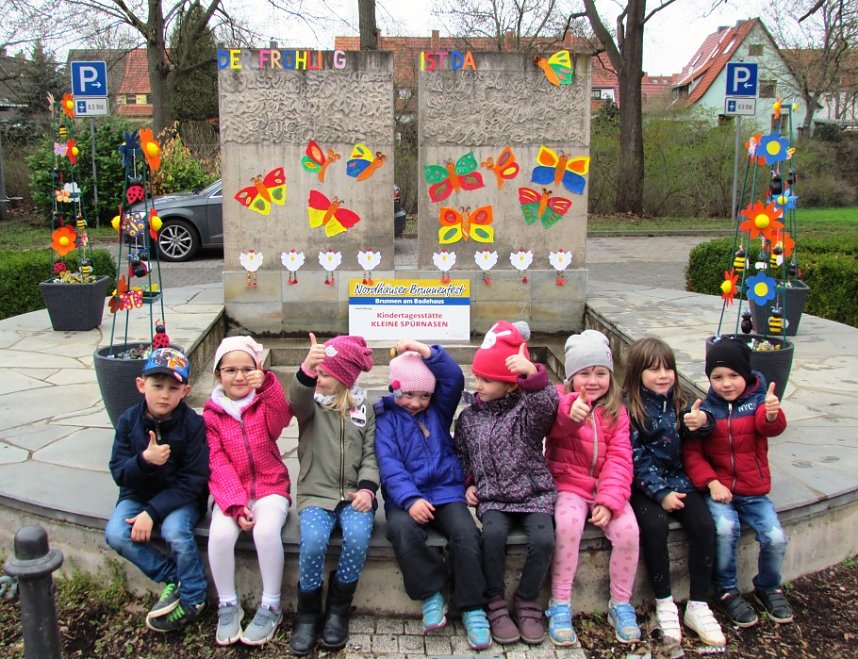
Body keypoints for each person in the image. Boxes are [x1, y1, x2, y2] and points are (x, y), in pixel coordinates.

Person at [374, 339, 492, 651]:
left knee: (466, 534)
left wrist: (427, 351)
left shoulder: (437, 412)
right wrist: (410, 499)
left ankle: (471, 606)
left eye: (424, 395)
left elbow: (453, 378)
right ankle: (431, 591)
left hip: (444, 491)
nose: (416, 402)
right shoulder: (385, 420)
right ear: (394, 388)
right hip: (405, 497)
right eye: (408, 394)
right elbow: (389, 465)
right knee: (400, 530)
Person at [454, 321, 559, 646]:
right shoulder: (469, 417)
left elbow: (547, 404)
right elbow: (463, 454)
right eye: (477, 378)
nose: (478, 385)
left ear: (511, 385)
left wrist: (533, 374)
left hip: (533, 494)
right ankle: (495, 602)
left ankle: (527, 602)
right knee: (493, 537)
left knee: (543, 540)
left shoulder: (525, 411)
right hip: (494, 498)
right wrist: (467, 483)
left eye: (487, 380)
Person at [623, 337, 725, 647]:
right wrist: (661, 493)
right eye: (654, 370)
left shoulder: (681, 401)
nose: (663, 375)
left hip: (680, 480)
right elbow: (635, 458)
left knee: (705, 526)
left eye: (668, 368)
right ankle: (664, 600)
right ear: (637, 372)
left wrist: (703, 422)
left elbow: (702, 432)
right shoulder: (630, 408)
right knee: (654, 527)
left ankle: (698, 603)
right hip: (645, 487)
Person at [683, 338, 792, 628]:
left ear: (746, 375)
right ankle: (727, 589)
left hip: (754, 492)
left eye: (733, 376)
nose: (726, 384)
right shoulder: (707, 409)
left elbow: (768, 426)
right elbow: (693, 456)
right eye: (717, 377)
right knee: (725, 530)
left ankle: (769, 585)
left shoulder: (758, 402)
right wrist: (711, 483)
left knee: (775, 537)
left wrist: (772, 413)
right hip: (720, 492)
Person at [544, 330, 641, 646]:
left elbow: (621, 457)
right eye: (584, 373)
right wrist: (571, 414)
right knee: (568, 527)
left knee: (628, 532)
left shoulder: (618, 412)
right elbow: (555, 427)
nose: (593, 380)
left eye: (600, 373)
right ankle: (560, 602)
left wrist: (610, 500)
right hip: (568, 484)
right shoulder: (561, 401)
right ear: (571, 376)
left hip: (605, 488)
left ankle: (621, 603)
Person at [104, 347, 209, 633]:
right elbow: (119, 472)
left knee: (175, 531)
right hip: (137, 494)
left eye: (173, 388)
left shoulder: (193, 425)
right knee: (115, 532)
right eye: (157, 385)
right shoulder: (128, 421)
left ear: (185, 390)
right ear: (141, 385)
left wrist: (152, 512)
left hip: (181, 499)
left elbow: (194, 479)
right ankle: (175, 577)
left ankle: (194, 597)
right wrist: (144, 461)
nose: (164, 394)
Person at [287, 333, 378, 656]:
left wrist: (368, 488)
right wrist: (306, 369)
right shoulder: (311, 405)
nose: (319, 379)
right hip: (316, 493)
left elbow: (370, 454)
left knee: (356, 536)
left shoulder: (364, 407)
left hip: (354, 496)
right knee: (312, 542)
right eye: (318, 374)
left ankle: (338, 608)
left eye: (324, 374)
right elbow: (294, 400)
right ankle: (308, 613)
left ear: (343, 377)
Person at [203, 335, 293, 646]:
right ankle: (227, 603)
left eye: (246, 369)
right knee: (220, 536)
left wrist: (269, 383)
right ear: (218, 374)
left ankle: (271, 604)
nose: (239, 376)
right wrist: (235, 504)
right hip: (232, 493)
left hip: (270, 487)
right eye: (230, 370)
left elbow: (282, 418)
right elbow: (216, 463)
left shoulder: (261, 402)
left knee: (266, 532)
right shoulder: (211, 415)